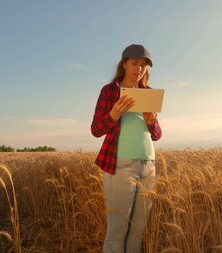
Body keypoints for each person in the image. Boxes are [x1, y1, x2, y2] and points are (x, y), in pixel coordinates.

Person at [90, 44, 162, 253]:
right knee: (117, 231)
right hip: (120, 165)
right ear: (124, 64)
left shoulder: (149, 94)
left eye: (143, 65)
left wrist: (151, 121)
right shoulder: (110, 91)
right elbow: (96, 130)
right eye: (135, 63)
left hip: (148, 165)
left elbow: (157, 135)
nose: (139, 69)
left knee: (138, 231)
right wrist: (113, 114)